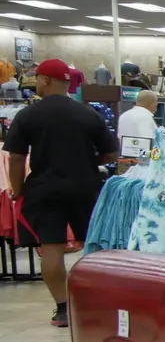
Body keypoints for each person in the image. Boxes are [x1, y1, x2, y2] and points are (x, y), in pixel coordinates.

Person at [4, 59, 118, 326]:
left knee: (51, 248)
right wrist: (89, 162)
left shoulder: (28, 115)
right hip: (85, 187)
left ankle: (63, 308)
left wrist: (18, 191)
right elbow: (112, 153)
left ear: (45, 80)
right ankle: (95, 305)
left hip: (44, 189)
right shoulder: (88, 114)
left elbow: (17, 157)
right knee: (93, 248)